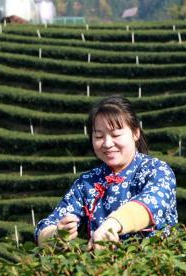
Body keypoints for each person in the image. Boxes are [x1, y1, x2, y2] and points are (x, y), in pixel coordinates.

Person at [35, 96, 177, 247]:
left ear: (136, 133)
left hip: (156, 265)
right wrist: (57, 233)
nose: (107, 144)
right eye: (99, 136)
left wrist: (112, 225)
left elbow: (152, 202)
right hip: (103, 268)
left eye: (115, 135)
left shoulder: (157, 170)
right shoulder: (87, 182)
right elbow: (45, 227)